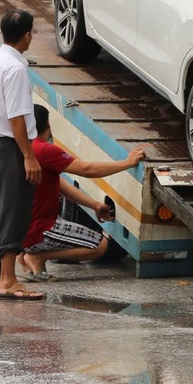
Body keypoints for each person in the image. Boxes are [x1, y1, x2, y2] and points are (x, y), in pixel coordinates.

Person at [19, 104, 145, 281]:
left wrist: (93, 204)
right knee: (100, 247)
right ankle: (37, 256)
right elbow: (87, 169)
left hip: (21, 228)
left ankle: (27, 253)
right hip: (40, 228)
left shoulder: (24, 150)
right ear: (47, 125)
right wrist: (127, 163)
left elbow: (60, 185)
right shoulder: (44, 149)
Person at [0, 10, 45, 301]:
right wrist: (29, 156)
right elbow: (17, 117)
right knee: (13, 213)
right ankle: (8, 280)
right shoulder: (16, 68)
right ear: (27, 34)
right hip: (9, 147)